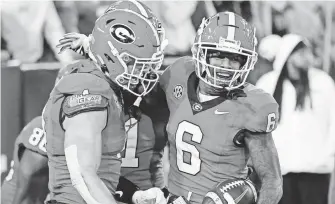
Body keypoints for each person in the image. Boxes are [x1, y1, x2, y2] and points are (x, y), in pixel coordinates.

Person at [43, 1, 167, 204]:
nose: (141, 74)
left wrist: (135, 195)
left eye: (146, 65)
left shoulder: (102, 84)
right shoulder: (89, 87)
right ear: (110, 55)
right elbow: (82, 176)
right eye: (132, 63)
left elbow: (103, 171)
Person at [158, 12, 283, 204]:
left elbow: (272, 181)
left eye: (235, 59)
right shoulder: (178, 74)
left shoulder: (254, 105)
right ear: (202, 54)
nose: (226, 66)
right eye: (218, 56)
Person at [256, 34, 335, 204]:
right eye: (299, 51)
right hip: (279, 173)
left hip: (316, 171)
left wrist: (328, 155)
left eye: (306, 51)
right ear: (287, 54)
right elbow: (256, 126)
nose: (305, 56)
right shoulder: (267, 84)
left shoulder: (322, 83)